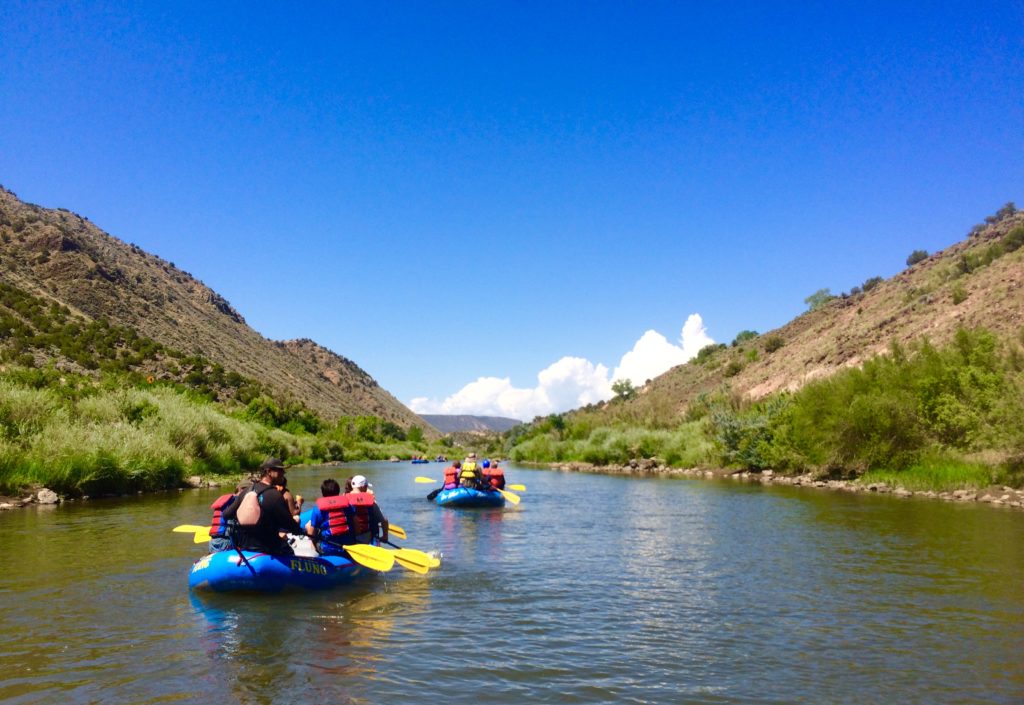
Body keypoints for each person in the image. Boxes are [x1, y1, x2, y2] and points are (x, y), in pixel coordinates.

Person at [221, 457, 302, 555]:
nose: (283, 473)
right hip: (268, 547)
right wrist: (299, 530)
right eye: (280, 470)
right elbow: (289, 524)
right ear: (269, 472)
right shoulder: (275, 495)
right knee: (290, 552)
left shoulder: (247, 491)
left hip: (245, 546)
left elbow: (226, 514)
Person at [304, 478, 354, 555]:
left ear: (323, 493)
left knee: (308, 526)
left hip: (327, 549)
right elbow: (357, 528)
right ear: (338, 491)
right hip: (348, 546)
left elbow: (311, 534)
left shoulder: (317, 509)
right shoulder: (348, 506)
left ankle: (317, 558)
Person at [207, 481, 250, 552]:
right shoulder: (236, 501)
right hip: (226, 541)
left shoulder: (226, 499)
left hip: (214, 541)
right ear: (241, 489)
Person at [348, 474, 388, 544]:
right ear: (363, 486)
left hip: (350, 538)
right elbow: (384, 520)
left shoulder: (345, 500)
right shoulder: (371, 502)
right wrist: (385, 536)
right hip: (367, 537)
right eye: (366, 486)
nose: (367, 488)